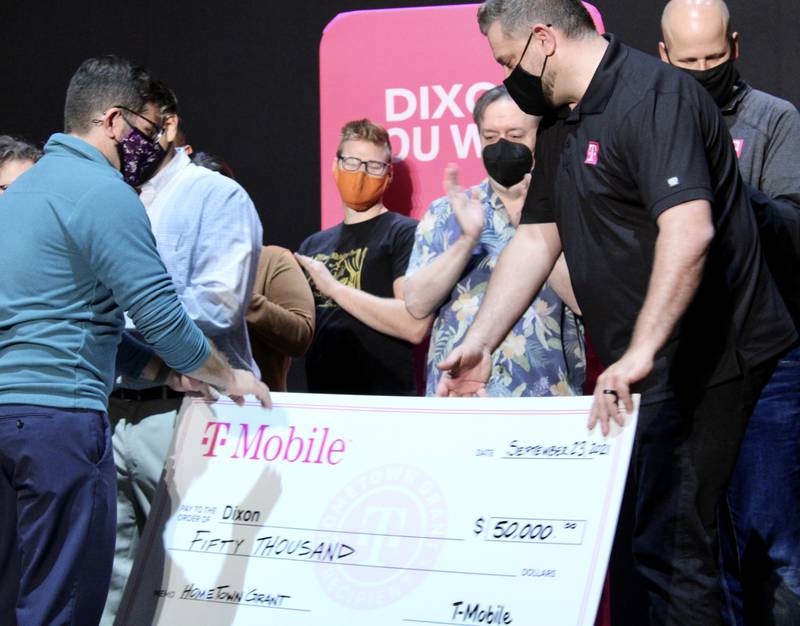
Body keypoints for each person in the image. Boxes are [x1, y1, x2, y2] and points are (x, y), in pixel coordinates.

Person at [437, 2, 796, 624]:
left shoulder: (655, 98)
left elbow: (689, 231)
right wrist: (482, 342)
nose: (504, 74)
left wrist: (638, 351)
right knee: (662, 550)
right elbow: (536, 236)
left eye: (506, 59)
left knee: (694, 552)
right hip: (654, 368)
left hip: (716, 361)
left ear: (543, 40)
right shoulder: (559, 120)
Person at [0, 55, 269, 626]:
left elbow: (71, 319)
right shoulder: (102, 192)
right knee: (63, 601)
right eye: (145, 130)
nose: (148, 143)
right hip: (61, 425)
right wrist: (227, 374)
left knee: (16, 591)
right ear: (115, 121)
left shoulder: (20, 194)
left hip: (10, 417)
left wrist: (165, 374)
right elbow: (159, 316)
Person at [101, 82, 264, 624]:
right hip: (113, 409)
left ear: (166, 126)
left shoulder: (213, 194)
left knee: (192, 580)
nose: (122, 139)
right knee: (112, 576)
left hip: (188, 412)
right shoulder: (110, 198)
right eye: (114, 126)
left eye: (133, 126)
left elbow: (219, 305)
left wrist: (120, 314)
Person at [659, 2, 800, 623]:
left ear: (735, 46)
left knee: (774, 535)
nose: (703, 69)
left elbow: (795, 229)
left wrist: (728, 186)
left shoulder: (773, 119)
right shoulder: (654, 123)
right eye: (688, 61)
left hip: (769, 354)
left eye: (714, 58)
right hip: (689, 353)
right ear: (663, 57)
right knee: (696, 535)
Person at [404, 85, 584, 396]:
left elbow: (585, 302)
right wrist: (467, 240)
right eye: (490, 137)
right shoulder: (447, 210)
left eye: (515, 135)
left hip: (544, 398)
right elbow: (417, 303)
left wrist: (532, 225)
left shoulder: (569, 208)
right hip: (459, 395)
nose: (501, 146)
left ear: (540, 136)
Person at [295, 119, 431, 395]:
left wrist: (334, 288)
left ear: (388, 174)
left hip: (383, 402)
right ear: (336, 167)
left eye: (373, 166)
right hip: (321, 404)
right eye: (352, 163)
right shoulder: (313, 244)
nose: (360, 174)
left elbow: (413, 324)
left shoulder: (404, 233)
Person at [247, 246, 315, 391]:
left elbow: (300, 336)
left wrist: (241, 300)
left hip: (255, 406)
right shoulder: (189, 266)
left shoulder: (271, 259)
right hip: (192, 404)